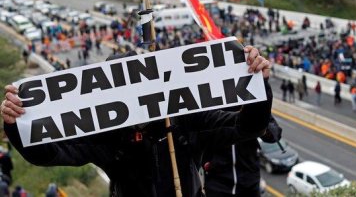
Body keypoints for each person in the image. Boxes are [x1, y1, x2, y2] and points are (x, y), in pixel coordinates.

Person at [1, 46, 273, 197]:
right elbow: (48, 153)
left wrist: (258, 85)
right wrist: (16, 125)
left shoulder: (185, 118)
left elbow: (248, 126)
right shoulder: (105, 136)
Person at [202, 115, 281, 197]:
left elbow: (275, 134)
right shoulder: (209, 105)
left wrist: (262, 125)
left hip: (249, 180)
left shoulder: (251, 105)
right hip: (217, 181)